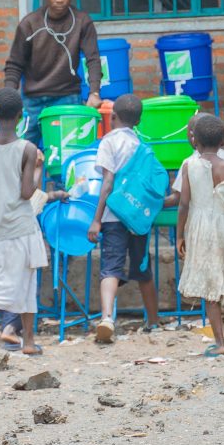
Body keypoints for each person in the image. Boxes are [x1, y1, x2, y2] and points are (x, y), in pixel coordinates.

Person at [0, 87, 49, 356]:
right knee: (26, 284)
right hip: (23, 227)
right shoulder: (28, 148)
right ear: (21, 115)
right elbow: (27, 192)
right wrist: (37, 168)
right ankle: (28, 342)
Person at [87, 94, 161, 342]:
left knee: (111, 267)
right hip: (137, 217)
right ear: (138, 121)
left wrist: (97, 219)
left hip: (113, 215)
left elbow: (108, 182)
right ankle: (153, 321)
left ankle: (107, 318)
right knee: (143, 268)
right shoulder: (141, 146)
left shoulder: (108, 142)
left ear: (113, 117)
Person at [3, 0, 103, 149]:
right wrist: (9, 96)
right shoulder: (30, 23)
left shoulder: (82, 21)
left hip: (67, 97)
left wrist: (94, 92)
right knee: (22, 152)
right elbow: (15, 63)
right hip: (32, 100)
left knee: (67, 152)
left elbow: (93, 59)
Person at [176, 115, 224, 356]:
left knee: (210, 287)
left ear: (194, 140)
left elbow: (183, 204)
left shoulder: (188, 166)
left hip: (200, 229)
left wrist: (180, 235)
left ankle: (219, 343)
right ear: (223, 141)